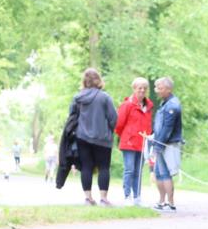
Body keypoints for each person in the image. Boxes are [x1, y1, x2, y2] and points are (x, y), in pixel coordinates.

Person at [69, 68, 118, 206]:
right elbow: (113, 118)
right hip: (103, 138)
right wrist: (110, 130)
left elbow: (72, 117)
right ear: (98, 80)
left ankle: (88, 198)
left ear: (84, 81)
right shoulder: (105, 97)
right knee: (104, 167)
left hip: (82, 137)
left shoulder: (77, 98)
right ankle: (103, 199)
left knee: (86, 167)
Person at [114, 77, 154, 206]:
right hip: (129, 143)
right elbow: (118, 125)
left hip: (142, 143)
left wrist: (148, 137)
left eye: (145, 88)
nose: (142, 90)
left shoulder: (148, 106)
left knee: (138, 171)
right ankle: (127, 196)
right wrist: (128, 136)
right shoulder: (127, 105)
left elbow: (148, 125)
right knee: (129, 170)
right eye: (139, 88)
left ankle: (137, 197)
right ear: (134, 89)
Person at [149, 77, 183, 212]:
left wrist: (158, 146)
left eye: (160, 88)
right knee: (158, 173)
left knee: (166, 173)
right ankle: (161, 201)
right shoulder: (164, 103)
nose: (157, 90)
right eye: (156, 87)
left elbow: (167, 129)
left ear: (169, 89)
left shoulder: (172, 105)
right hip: (160, 142)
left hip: (168, 144)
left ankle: (170, 202)